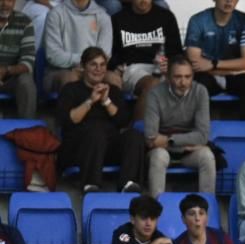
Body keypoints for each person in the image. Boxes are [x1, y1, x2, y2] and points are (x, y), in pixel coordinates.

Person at [58, 46, 143, 193]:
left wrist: (106, 101)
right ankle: (91, 185)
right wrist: (90, 101)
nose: (98, 69)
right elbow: (69, 120)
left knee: (134, 135)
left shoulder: (113, 91)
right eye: (93, 64)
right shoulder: (70, 90)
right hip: (80, 147)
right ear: (83, 67)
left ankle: (128, 183)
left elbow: (123, 121)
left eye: (102, 65)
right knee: (96, 132)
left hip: (109, 147)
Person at [145, 56, 215, 196]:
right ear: (168, 77)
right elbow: (151, 138)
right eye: (177, 77)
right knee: (159, 156)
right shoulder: (154, 94)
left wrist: (170, 140)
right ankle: (155, 211)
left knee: (207, 156)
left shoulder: (200, 91)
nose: (183, 82)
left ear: (193, 76)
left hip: (187, 152)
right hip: (165, 151)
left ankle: (207, 207)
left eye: (187, 77)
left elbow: (202, 135)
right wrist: (188, 142)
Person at [183, 0, 245, 106]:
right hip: (208, 76)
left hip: (228, 75)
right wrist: (235, 70)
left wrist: (213, 64)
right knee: (197, 84)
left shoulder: (244, 19)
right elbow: (195, 64)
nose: (229, 1)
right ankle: (202, 122)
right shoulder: (197, 20)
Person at [110, 0, 180, 110]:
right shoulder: (118, 19)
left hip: (161, 68)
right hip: (132, 68)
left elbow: (177, 52)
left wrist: (169, 63)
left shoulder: (166, 17)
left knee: (181, 81)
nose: (143, 1)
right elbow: (112, 52)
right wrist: (117, 65)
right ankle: (138, 125)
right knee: (153, 84)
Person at [41, 0, 111, 95]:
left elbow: (105, 54)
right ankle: (73, 110)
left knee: (113, 79)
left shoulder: (103, 16)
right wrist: (84, 63)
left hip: (94, 69)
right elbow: (53, 55)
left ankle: (111, 109)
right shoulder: (55, 14)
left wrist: (87, 66)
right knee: (71, 78)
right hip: (59, 71)